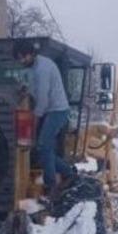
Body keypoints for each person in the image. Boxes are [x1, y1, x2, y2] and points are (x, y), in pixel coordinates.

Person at [13, 40, 77, 197]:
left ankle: (51, 186)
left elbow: (43, 100)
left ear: (31, 54)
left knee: (43, 147)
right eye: (19, 58)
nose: (21, 61)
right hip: (49, 110)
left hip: (57, 110)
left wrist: (34, 119)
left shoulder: (43, 69)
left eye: (23, 57)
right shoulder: (35, 66)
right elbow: (33, 88)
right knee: (44, 148)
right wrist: (23, 89)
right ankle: (68, 172)